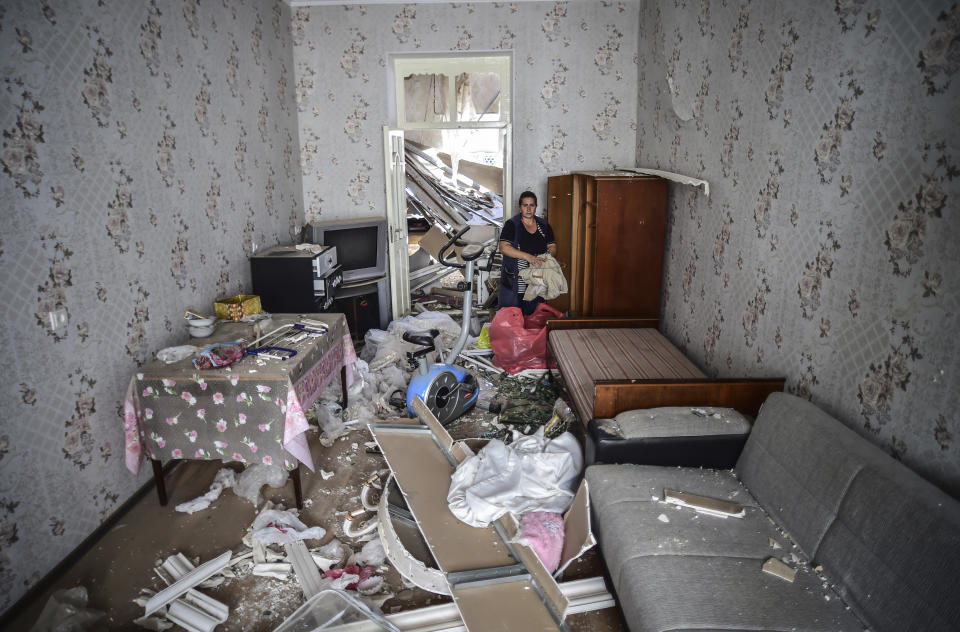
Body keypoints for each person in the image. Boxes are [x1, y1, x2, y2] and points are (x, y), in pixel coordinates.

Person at [498, 191, 557, 315]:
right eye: (525, 205)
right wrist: (529, 257)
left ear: (536, 206)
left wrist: (548, 257)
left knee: (535, 312)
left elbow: (552, 245)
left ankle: (532, 333)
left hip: (538, 279)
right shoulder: (512, 224)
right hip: (517, 280)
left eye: (532, 205)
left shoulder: (544, 225)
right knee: (515, 314)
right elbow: (504, 247)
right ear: (520, 207)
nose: (529, 209)